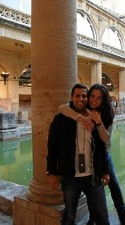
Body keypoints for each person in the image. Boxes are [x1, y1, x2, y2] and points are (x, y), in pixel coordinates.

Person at [59, 83, 125, 225]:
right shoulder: (83, 108)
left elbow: (106, 140)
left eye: (99, 98)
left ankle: (123, 215)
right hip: (89, 155)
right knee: (94, 187)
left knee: (113, 183)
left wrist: (98, 122)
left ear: (103, 100)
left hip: (103, 153)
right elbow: (61, 108)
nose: (94, 100)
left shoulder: (108, 113)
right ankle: (92, 218)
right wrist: (81, 118)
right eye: (92, 96)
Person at [47, 83, 110, 225]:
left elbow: (101, 148)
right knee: (69, 216)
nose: (81, 99)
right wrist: (51, 172)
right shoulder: (61, 119)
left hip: (93, 176)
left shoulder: (95, 117)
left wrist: (105, 170)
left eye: (84, 96)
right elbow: (52, 147)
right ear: (72, 97)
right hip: (70, 177)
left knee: (102, 215)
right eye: (77, 95)